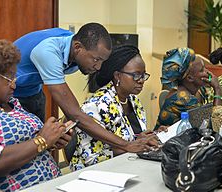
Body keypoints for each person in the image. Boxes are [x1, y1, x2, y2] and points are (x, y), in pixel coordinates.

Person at [14, 22, 153, 154]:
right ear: (77, 47)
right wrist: (126, 145)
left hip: (33, 91)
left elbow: (72, 113)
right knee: (21, 149)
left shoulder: (75, 45)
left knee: (39, 149)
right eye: (96, 59)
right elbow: (75, 113)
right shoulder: (48, 52)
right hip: (9, 95)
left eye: (102, 61)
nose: (98, 67)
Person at [0, 40, 73, 191]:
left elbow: (26, 145)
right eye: (8, 79)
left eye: (15, 78)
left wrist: (52, 139)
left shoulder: (11, 103)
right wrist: (42, 141)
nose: (14, 85)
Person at [70, 45, 161, 171]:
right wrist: (130, 147)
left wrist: (149, 137)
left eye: (143, 75)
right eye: (135, 75)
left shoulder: (134, 101)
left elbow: (130, 139)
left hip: (128, 167)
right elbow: (91, 158)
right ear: (117, 76)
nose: (141, 80)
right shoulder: (96, 106)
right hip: (96, 174)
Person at [154, 47, 222, 130]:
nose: (207, 72)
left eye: (205, 67)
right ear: (190, 78)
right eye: (201, 70)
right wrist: (217, 89)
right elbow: (214, 124)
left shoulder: (199, 90)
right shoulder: (182, 99)